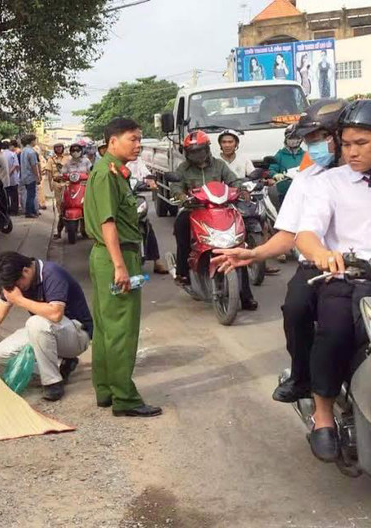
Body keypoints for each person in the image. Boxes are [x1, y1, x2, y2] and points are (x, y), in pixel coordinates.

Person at [212, 98, 348, 404]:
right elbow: (290, 234)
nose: (314, 146)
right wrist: (254, 254)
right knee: (297, 311)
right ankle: (303, 377)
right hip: (319, 268)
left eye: (320, 138)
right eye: (309, 140)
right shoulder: (308, 180)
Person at [295, 99, 371, 462]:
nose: (351, 152)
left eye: (362, 144)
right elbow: (306, 233)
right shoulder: (330, 183)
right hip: (349, 278)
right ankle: (323, 414)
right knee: (335, 331)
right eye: (346, 144)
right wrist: (322, 254)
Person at [84, 117, 161, 417]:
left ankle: (106, 389)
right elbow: (108, 223)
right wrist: (120, 266)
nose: (138, 144)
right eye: (133, 138)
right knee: (121, 330)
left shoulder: (113, 172)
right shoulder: (106, 174)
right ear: (112, 141)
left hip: (110, 256)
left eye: (139, 138)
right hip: (116, 256)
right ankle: (125, 399)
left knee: (105, 328)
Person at [0, 252, 92, 401]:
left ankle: (53, 383)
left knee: (35, 323)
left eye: (16, 285)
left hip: (77, 335)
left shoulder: (52, 273)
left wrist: (19, 300)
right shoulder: (18, 279)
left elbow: (55, 314)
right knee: (1, 354)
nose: (16, 290)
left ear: (26, 271)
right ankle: (62, 364)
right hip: (47, 331)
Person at [171, 130, 259, 311]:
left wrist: (240, 190)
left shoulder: (219, 165)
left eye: (200, 150)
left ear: (207, 149)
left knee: (236, 245)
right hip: (194, 210)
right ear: (187, 152)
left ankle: (246, 296)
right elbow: (176, 186)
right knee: (181, 226)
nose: (197, 154)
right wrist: (181, 196)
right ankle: (183, 272)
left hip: (221, 209)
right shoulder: (183, 169)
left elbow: (233, 181)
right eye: (192, 151)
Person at [125, 156, 168, 275]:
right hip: (120, 201)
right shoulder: (114, 163)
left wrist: (150, 181)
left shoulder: (137, 161)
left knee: (147, 225)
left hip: (134, 197)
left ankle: (157, 261)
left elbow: (146, 174)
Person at [47, 143, 70, 238]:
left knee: (68, 203)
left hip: (67, 183)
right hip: (56, 183)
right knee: (59, 205)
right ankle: (61, 225)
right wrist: (50, 185)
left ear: (63, 148)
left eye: (60, 147)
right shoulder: (51, 159)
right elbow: (49, 173)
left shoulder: (68, 158)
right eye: (56, 147)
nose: (58, 149)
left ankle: (70, 225)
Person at [20, 135, 40, 218]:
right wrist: (37, 176)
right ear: (32, 141)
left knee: (29, 194)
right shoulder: (31, 152)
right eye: (35, 140)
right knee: (31, 195)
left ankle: (32, 211)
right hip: (30, 175)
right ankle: (29, 212)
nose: (35, 142)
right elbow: (34, 166)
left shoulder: (23, 151)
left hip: (24, 175)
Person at [3, 140, 21, 215]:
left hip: (4, 178)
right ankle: (14, 211)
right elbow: (16, 165)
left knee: (5, 195)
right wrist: (10, 172)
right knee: (14, 196)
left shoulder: (1, 154)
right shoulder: (13, 154)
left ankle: (7, 210)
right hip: (13, 177)